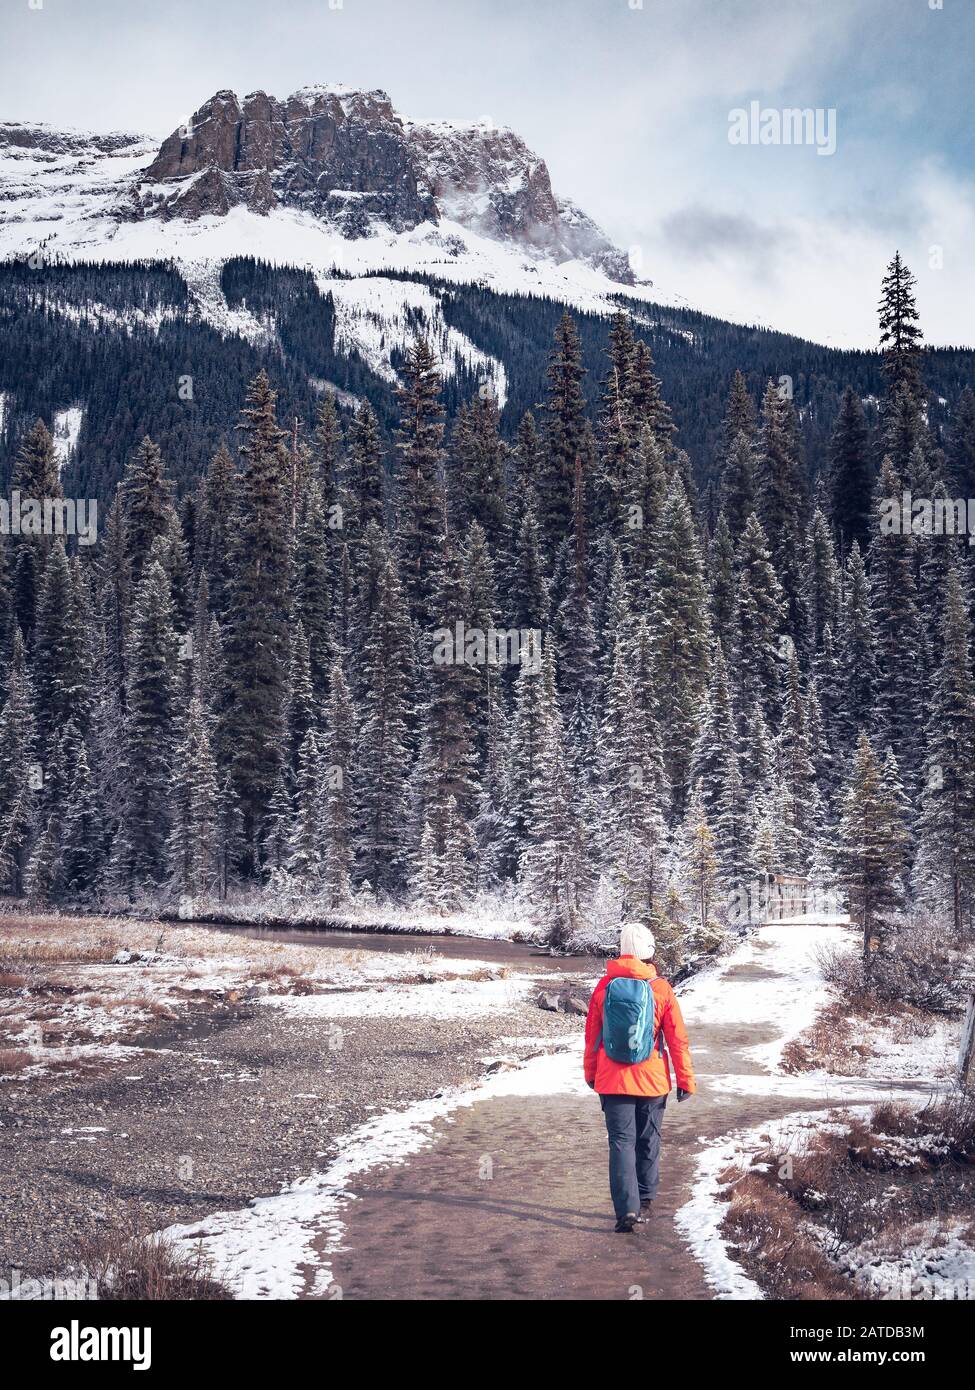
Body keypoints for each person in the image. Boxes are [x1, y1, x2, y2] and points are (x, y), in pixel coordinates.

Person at [584, 921, 696, 1233]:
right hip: (652, 1081)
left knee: (621, 1143)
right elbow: (677, 1040)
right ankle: (645, 1199)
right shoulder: (661, 989)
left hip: (612, 1080)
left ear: (621, 952)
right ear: (649, 951)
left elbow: (592, 1038)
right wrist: (685, 1080)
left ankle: (627, 1212)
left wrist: (591, 1074)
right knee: (648, 1140)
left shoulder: (603, 988)